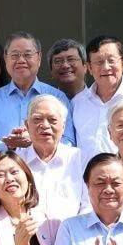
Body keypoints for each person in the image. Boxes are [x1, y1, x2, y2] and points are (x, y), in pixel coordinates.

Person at [0, 32, 75, 162]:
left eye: (27, 55)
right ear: (5, 59)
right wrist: (8, 145)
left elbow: (69, 142)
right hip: (7, 172)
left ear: (39, 58)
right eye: (15, 55)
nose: (21, 60)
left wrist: (36, 141)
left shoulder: (57, 97)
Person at [17, 95, 85, 226]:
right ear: (27, 125)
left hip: (73, 233)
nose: (45, 125)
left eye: (52, 120)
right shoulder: (16, 162)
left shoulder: (80, 159)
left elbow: (88, 205)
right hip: (27, 234)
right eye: (37, 119)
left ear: (63, 126)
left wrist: (73, 232)